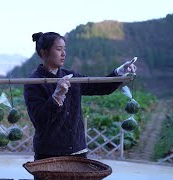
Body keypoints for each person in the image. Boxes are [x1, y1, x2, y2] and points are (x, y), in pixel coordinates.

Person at [23, 32, 137, 161]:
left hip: (77, 151)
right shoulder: (34, 82)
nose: (63, 53)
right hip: (49, 153)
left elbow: (100, 86)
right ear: (44, 53)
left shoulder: (72, 77)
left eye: (64, 49)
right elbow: (40, 121)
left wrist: (120, 71)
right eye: (59, 49)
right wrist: (57, 96)